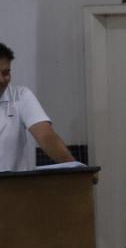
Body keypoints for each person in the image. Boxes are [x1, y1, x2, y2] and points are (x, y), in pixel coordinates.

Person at [0, 41, 74, 171]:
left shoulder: (21, 95)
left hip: (15, 183)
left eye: (6, 73)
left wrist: (76, 169)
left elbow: (46, 136)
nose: (1, 80)